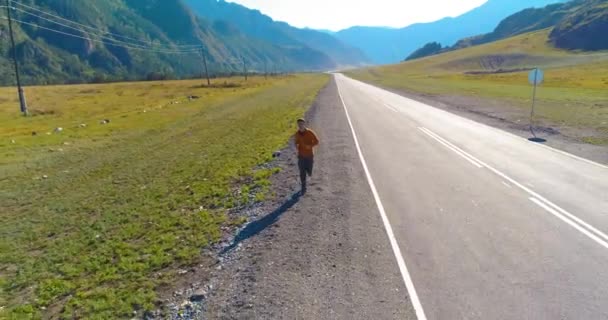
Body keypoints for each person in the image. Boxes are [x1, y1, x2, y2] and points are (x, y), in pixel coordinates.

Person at [294, 118, 319, 195]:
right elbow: (296, 142)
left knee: (309, 171)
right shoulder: (297, 134)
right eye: (299, 124)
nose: (300, 125)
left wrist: (310, 146)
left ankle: (309, 173)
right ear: (297, 125)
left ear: (304, 124)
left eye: (302, 124)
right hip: (301, 155)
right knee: (302, 171)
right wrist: (296, 146)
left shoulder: (310, 132)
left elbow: (316, 141)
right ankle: (303, 186)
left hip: (309, 155)